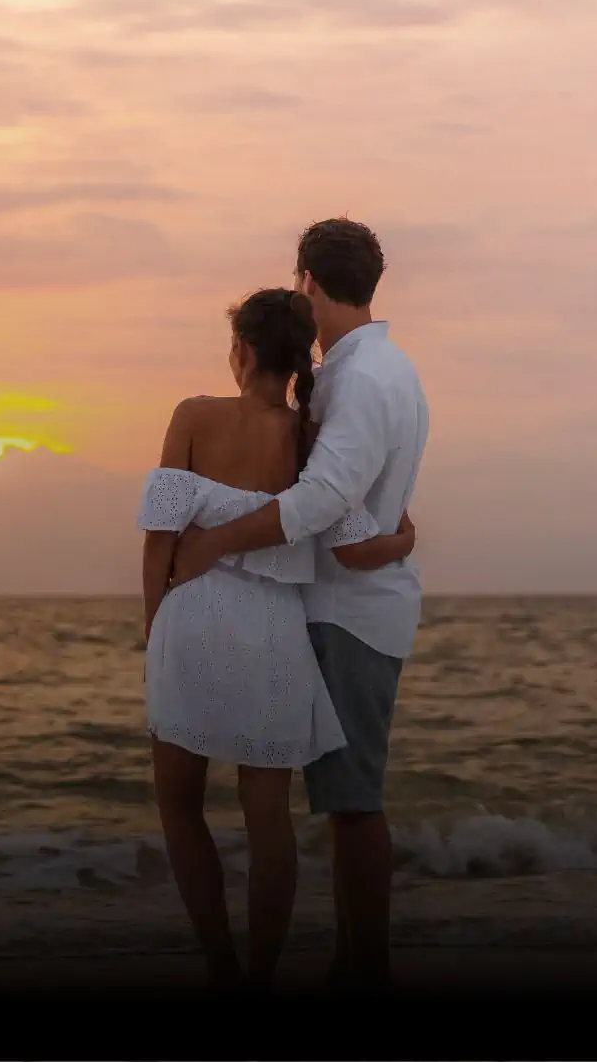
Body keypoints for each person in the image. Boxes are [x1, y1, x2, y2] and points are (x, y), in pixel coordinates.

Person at [168, 218, 430, 991]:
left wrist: (216, 544)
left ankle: (364, 971)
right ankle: (352, 963)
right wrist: (391, 539)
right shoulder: (378, 370)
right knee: (342, 803)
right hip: (351, 604)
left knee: (352, 804)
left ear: (309, 284)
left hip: (351, 614)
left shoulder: (362, 379)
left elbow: (322, 501)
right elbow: (352, 513)